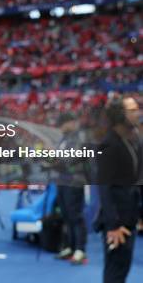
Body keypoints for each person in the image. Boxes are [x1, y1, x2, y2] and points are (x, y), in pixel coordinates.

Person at [94, 96, 141, 283]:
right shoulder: (110, 143)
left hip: (128, 217)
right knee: (115, 271)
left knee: (122, 268)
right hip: (116, 222)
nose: (138, 113)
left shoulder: (130, 140)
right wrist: (112, 225)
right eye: (132, 110)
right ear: (120, 115)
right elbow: (104, 186)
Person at [53, 112, 88, 265]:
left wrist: (57, 161)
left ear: (70, 122)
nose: (60, 128)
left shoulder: (80, 137)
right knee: (66, 215)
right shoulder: (64, 138)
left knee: (75, 216)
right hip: (62, 181)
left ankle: (80, 250)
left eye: (62, 124)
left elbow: (72, 158)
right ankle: (70, 246)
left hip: (74, 182)